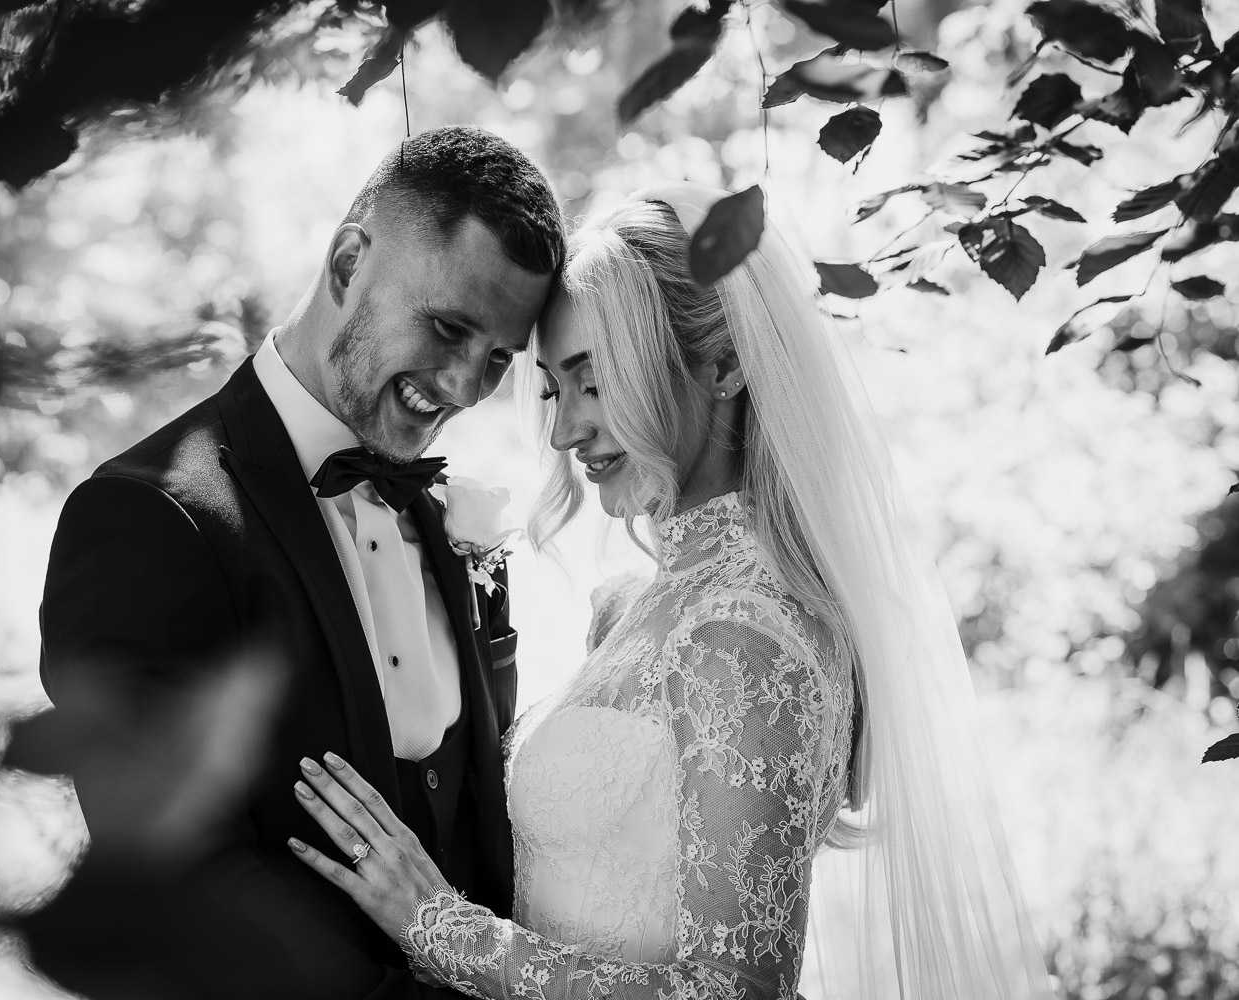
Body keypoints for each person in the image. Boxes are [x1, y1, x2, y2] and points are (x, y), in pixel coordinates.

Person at [289, 183, 1057, 1000]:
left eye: (597, 380)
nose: (566, 429)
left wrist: (438, 925)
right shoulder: (635, 606)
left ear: (723, 364)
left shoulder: (750, 632)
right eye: (555, 386)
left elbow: (737, 990)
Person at [30, 125, 563, 999]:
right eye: (448, 327)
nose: (467, 387)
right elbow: (179, 880)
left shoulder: (452, 516)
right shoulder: (149, 515)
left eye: (499, 358)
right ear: (350, 263)